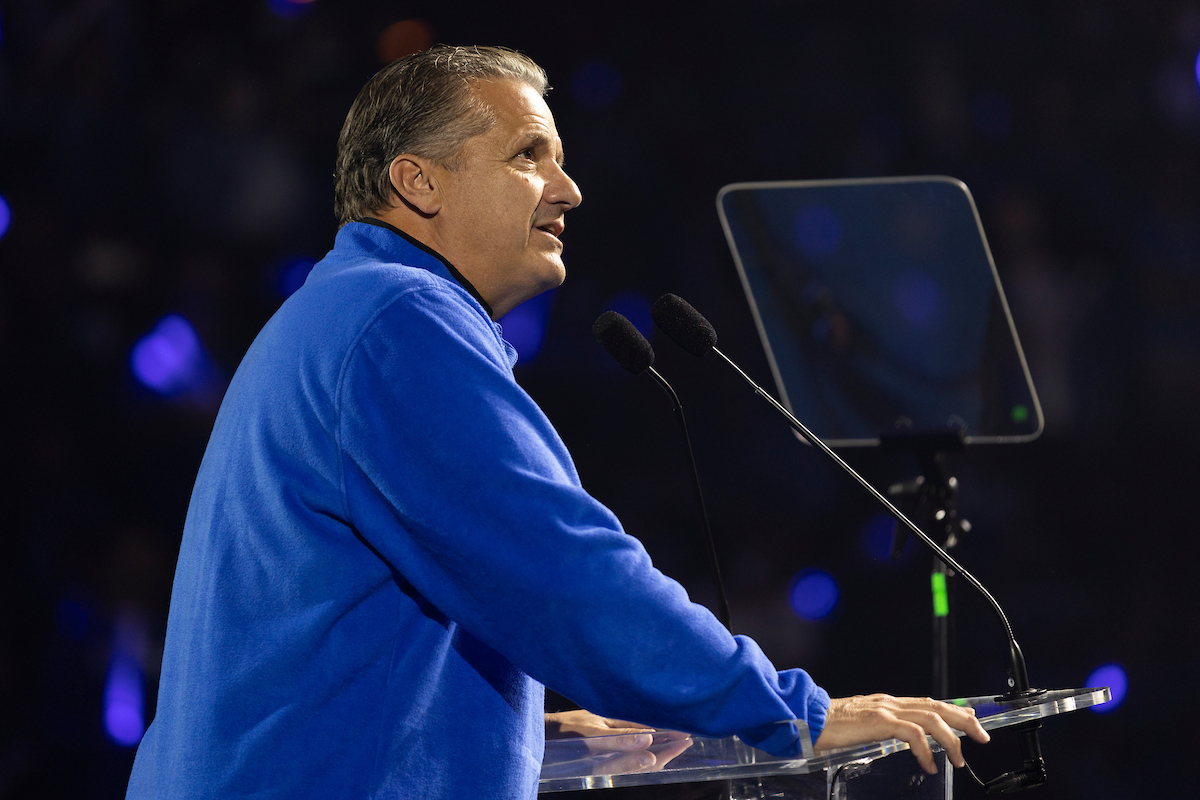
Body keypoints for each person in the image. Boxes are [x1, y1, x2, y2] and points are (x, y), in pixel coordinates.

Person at [125, 45, 987, 799]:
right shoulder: (397, 327)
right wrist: (791, 713)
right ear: (417, 182)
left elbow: (325, 633)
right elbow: (565, 571)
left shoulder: (338, 318)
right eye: (528, 155)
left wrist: (520, 725)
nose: (569, 189)